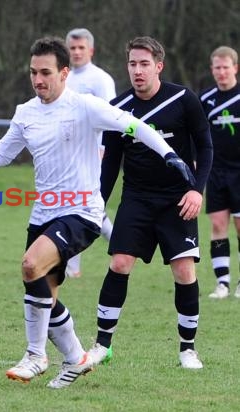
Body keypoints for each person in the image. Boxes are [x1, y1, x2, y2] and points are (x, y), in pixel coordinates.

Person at [0, 36, 195, 388]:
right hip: (43, 214)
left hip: (82, 213)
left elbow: (135, 126)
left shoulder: (85, 106)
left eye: (45, 73)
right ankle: (76, 358)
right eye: (32, 73)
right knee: (44, 291)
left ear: (64, 73)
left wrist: (169, 154)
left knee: (30, 264)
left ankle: (35, 355)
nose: (38, 80)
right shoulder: (25, 112)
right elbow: (2, 154)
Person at [86, 36, 213, 373]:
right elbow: (111, 161)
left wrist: (197, 190)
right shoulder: (118, 107)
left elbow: (206, 148)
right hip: (137, 198)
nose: (137, 71)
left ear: (159, 66)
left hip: (178, 199)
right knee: (120, 263)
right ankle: (102, 345)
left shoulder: (184, 99)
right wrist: (97, 202)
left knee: (185, 271)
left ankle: (188, 349)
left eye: (144, 64)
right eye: (132, 64)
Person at [65, 27, 117, 278]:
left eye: (80, 48)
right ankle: (119, 242)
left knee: (80, 205)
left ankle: (72, 267)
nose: (76, 52)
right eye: (72, 48)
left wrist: (103, 150)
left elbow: (110, 118)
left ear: (91, 50)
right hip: (68, 154)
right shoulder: (64, 77)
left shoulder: (100, 79)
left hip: (93, 155)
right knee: (79, 204)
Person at [199, 46, 240, 299]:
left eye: (226, 67)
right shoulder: (205, 100)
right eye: (217, 68)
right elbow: (198, 136)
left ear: (235, 68)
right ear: (212, 70)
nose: (222, 72)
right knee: (217, 225)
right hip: (216, 171)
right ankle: (222, 283)